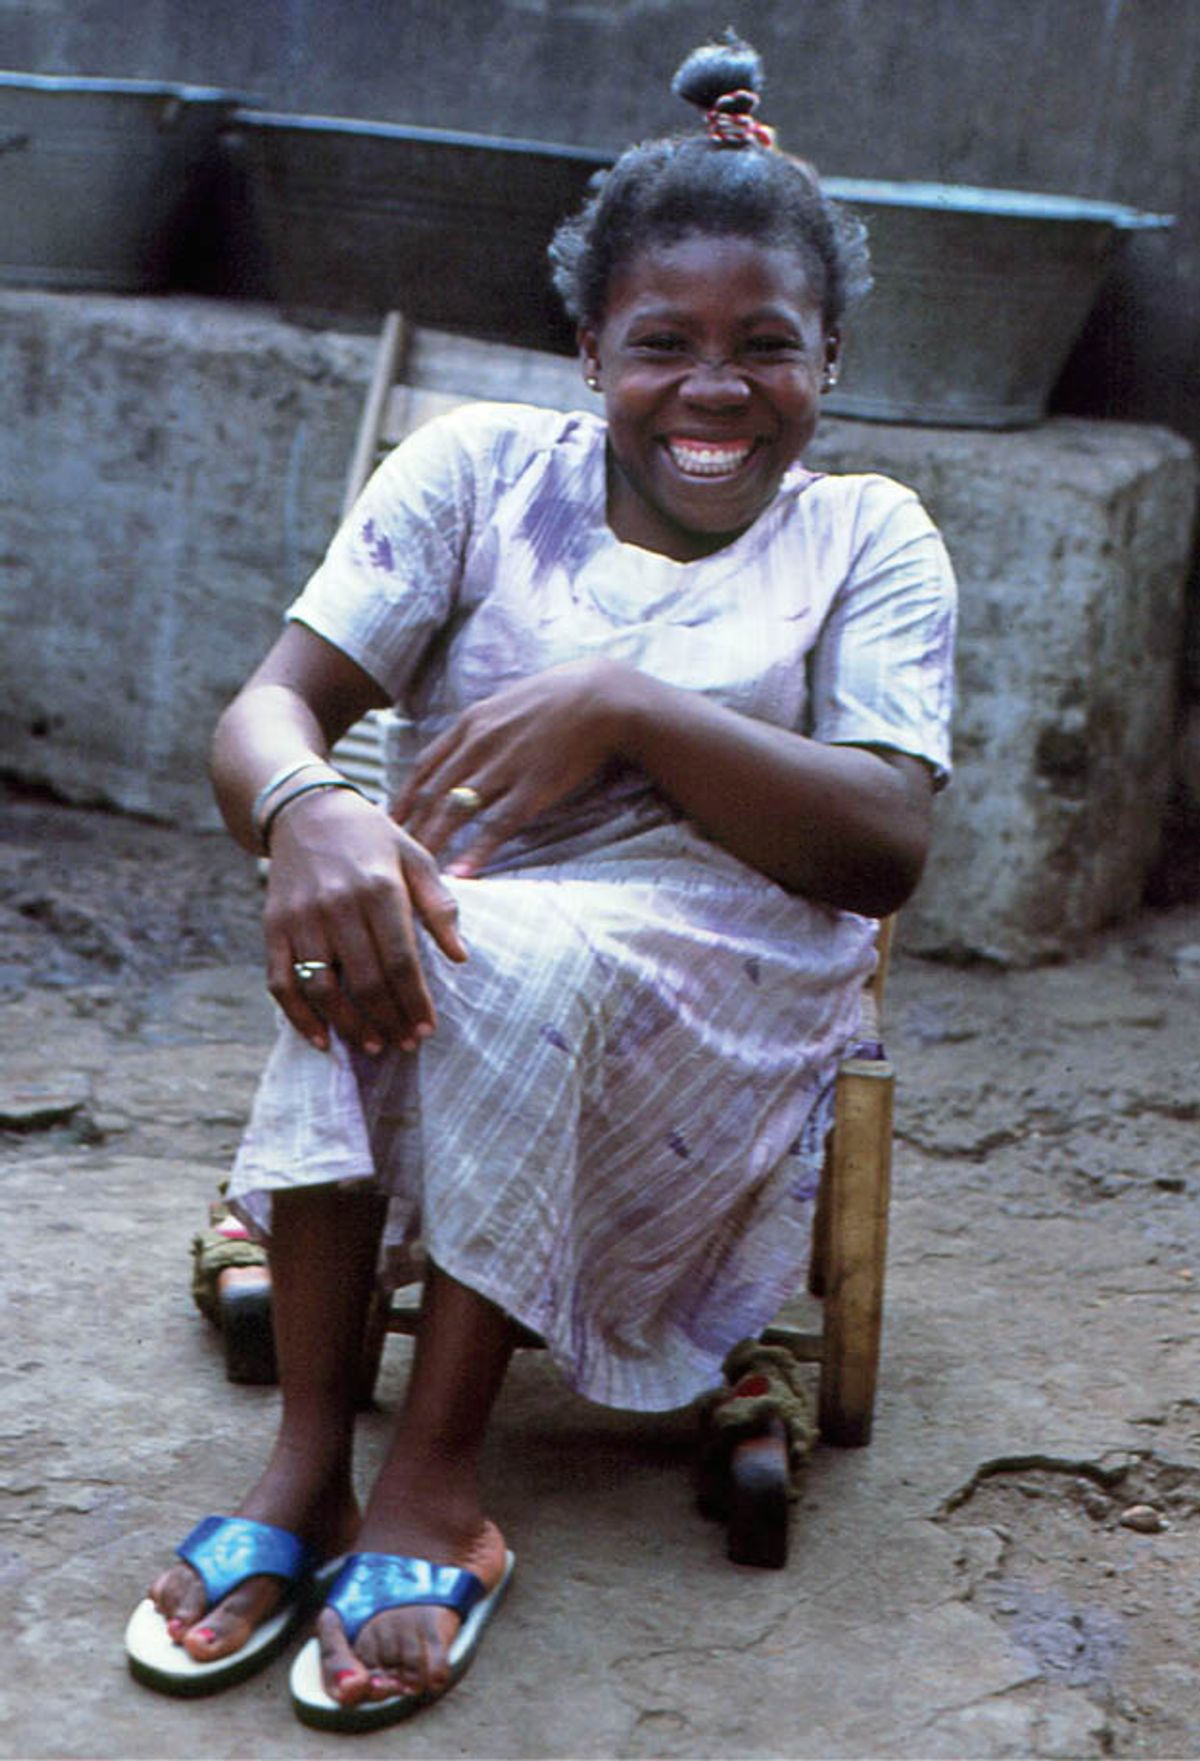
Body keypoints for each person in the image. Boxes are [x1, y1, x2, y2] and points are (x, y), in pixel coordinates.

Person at [124, 32, 956, 1732]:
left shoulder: (871, 537)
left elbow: (881, 843)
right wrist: (309, 808)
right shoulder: (475, 479)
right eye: (662, 343)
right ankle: (307, 1470)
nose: (712, 389)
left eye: (765, 347)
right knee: (378, 904)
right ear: (590, 350)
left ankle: (436, 1483)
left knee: (470, 939)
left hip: (735, 955)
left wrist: (625, 705)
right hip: (465, 913)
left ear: (830, 361)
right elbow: (268, 710)